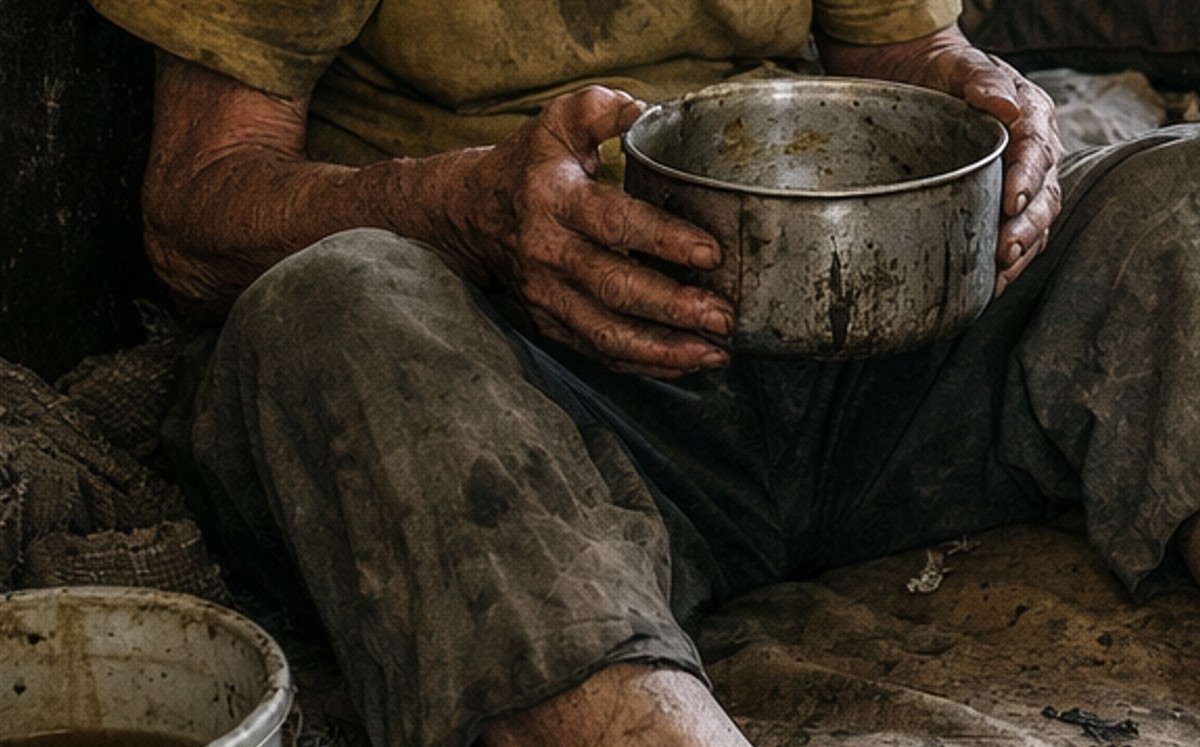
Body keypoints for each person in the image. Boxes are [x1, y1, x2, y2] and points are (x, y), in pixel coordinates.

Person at [87, 0, 1200, 745]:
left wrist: (989, 100)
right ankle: (635, 713)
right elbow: (193, 209)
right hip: (524, 395)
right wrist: (464, 214)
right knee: (339, 299)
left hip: (856, 343)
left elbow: (907, 54)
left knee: (1178, 191)